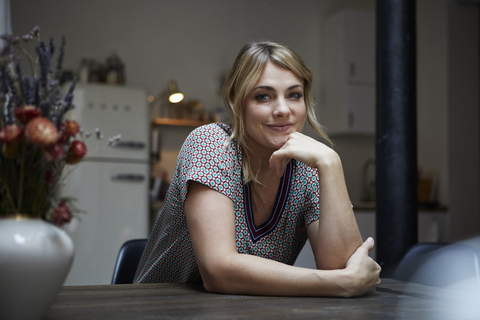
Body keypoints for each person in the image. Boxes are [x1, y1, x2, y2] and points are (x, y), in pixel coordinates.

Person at [134, 41, 381, 297]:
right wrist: (337, 283)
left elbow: (344, 269)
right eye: (264, 96)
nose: (283, 110)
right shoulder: (211, 143)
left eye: (294, 95)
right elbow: (219, 271)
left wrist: (331, 163)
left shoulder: (308, 170)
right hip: (160, 309)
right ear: (236, 102)